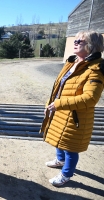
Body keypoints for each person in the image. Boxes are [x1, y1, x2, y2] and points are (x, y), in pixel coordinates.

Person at [40, 30, 104, 186]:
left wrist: (59, 104)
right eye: (75, 40)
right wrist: (49, 105)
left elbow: (90, 98)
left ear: (91, 46)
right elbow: (58, 87)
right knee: (59, 140)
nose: (75, 43)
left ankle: (66, 174)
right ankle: (60, 160)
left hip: (76, 117)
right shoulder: (72, 62)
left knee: (70, 147)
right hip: (60, 111)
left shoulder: (96, 69)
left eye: (79, 41)